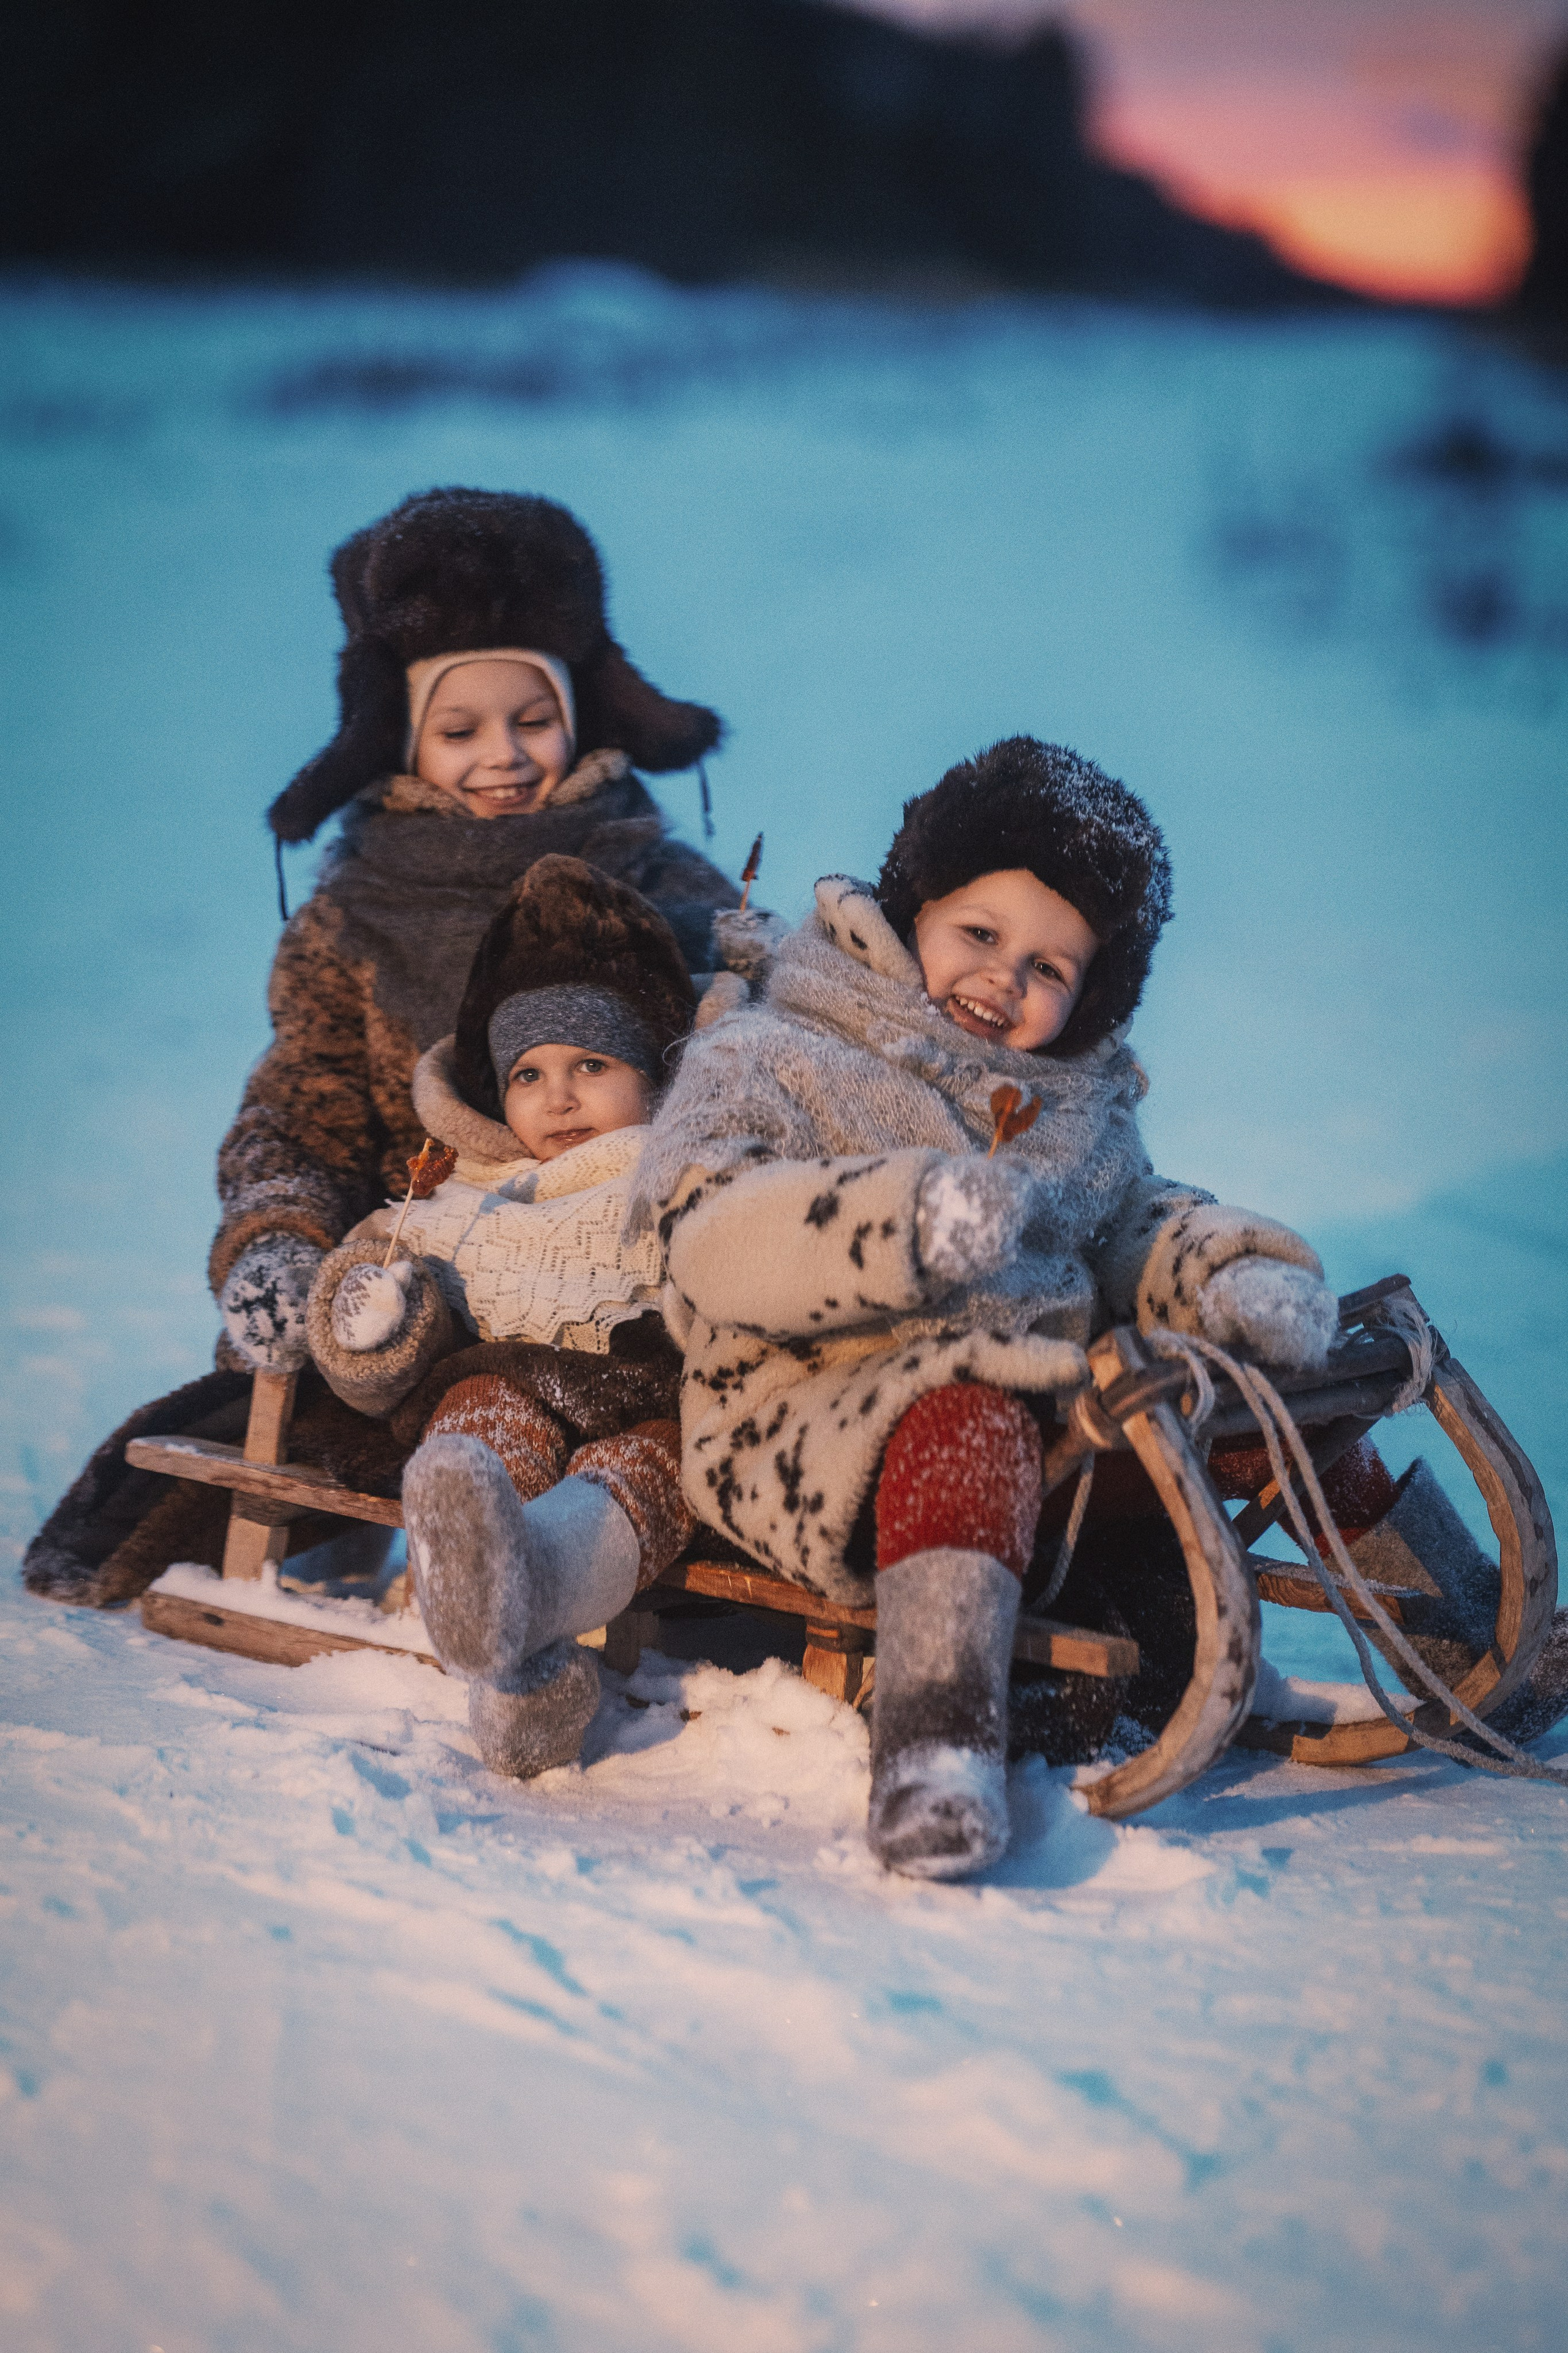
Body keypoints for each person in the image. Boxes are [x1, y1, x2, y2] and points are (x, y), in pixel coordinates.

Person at [626, 736, 1513, 1881]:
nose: (1004, 979)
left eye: (1049, 967)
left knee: (1253, 1403)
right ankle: (935, 1747)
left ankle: (1467, 1629)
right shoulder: (774, 1050)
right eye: (980, 933)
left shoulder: (1073, 1103)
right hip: (814, 1418)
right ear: (911, 908)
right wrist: (907, 1221)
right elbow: (709, 1235)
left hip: (1045, 1428)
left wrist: (1224, 1273)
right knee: (973, 1415)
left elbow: (1132, 1219)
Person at [24, 487, 737, 1607]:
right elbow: (299, 1109)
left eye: (533, 720)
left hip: (618, 1299)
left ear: (583, 716)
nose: (504, 756)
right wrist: (283, 1236)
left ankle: (585, 1552)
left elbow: (744, 1068)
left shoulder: (663, 887)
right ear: (401, 740)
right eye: (460, 731)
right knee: (339, 1396)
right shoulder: (352, 922)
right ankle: (443, 1537)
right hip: (424, 1300)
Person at [305, 858, 699, 1778]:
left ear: (655, 1074)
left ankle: (536, 1592)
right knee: (475, 1413)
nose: (558, 1096)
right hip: (511, 1381)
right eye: (529, 1073)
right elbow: (385, 1285)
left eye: (592, 1064)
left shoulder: (684, 1173)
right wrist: (376, 1319)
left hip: (647, 1398)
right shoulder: (473, 1192)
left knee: (663, 1462)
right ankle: (499, 1619)